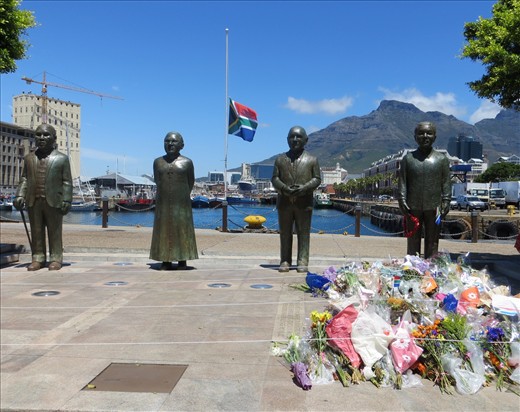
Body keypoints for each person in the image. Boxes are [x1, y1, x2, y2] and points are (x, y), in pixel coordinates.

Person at [13, 124, 73, 271]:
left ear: (54, 138)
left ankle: (56, 258)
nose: (41, 138)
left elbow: (67, 181)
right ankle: (38, 258)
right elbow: (25, 179)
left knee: (55, 231)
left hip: (54, 200)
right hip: (34, 200)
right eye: (38, 134)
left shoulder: (62, 159)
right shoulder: (28, 158)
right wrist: (20, 195)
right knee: (36, 230)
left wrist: (67, 199)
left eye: (46, 135)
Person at [397, 121, 451, 259]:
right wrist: (402, 200)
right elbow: (402, 182)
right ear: (415, 137)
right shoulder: (408, 159)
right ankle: (412, 268)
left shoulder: (442, 159)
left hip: (434, 207)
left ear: (435, 136)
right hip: (412, 206)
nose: (425, 136)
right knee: (413, 240)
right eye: (421, 133)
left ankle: (430, 268)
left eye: (429, 133)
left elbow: (446, 183)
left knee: (432, 241)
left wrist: (446, 201)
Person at [272, 126, 321, 273]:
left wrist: (305, 188)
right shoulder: (280, 159)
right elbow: (275, 178)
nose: (295, 140)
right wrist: (284, 188)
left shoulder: (312, 160)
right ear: (287, 140)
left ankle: (302, 260)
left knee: (303, 233)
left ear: (306, 140)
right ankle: (285, 260)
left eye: (298, 137)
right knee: (284, 233)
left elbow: (317, 179)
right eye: (291, 137)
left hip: (304, 202)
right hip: (284, 202)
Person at [149, 132, 198, 270]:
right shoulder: (158, 162)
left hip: (182, 203)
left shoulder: (187, 162)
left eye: (174, 141)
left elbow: (190, 182)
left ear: (181, 145)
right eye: (167, 141)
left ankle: (183, 259)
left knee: (183, 229)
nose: (170, 144)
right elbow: (158, 181)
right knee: (163, 229)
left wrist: (182, 196)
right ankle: (165, 260)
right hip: (163, 202)